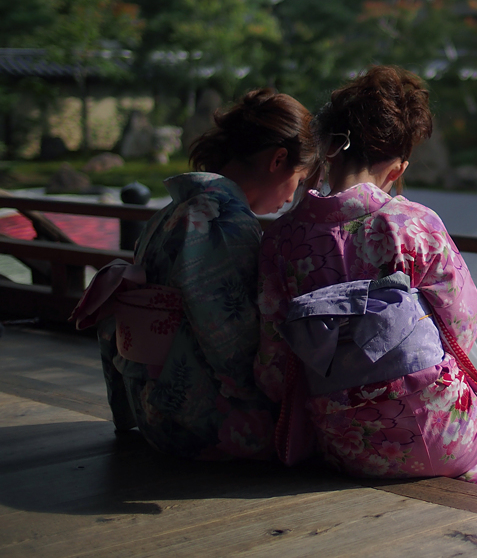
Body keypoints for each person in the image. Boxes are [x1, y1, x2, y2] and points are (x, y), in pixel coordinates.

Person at [256, 66, 477, 502]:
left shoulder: (280, 241)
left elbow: (271, 363)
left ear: (327, 150)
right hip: (443, 432)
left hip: (345, 443)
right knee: (473, 385)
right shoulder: (413, 224)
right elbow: (464, 325)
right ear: (397, 168)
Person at [72, 89, 318, 460]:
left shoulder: (178, 209)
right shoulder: (221, 222)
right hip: (195, 424)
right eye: (299, 180)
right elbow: (232, 345)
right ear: (278, 159)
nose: (292, 197)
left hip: (153, 407)